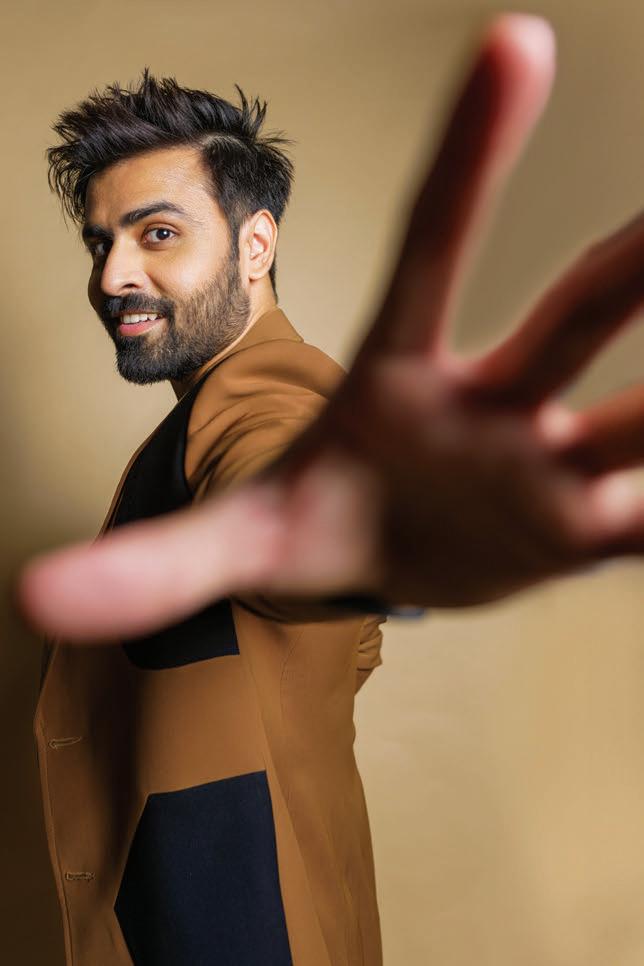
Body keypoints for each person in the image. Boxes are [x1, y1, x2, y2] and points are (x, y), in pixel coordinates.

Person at [19, 11, 644, 965]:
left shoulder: (271, 400)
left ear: (255, 244)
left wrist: (380, 545)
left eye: (158, 234)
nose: (113, 276)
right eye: (101, 243)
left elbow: (280, 501)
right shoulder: (199, 417)